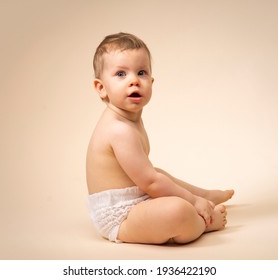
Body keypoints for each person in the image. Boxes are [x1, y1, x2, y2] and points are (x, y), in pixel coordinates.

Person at [86, 32, 234, 244]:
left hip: (136, 197)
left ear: (152, 82)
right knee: (177, 210)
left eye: (141, 72)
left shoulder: (129, 119)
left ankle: (206, 196)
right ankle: (205, 221)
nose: (134, 81)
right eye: (121, 74)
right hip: (120, 216)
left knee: (158, 172)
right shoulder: (119, 129)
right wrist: (190, 201)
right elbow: (150, 183)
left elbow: (150, 178)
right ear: (101, 88)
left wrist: (194, 197)